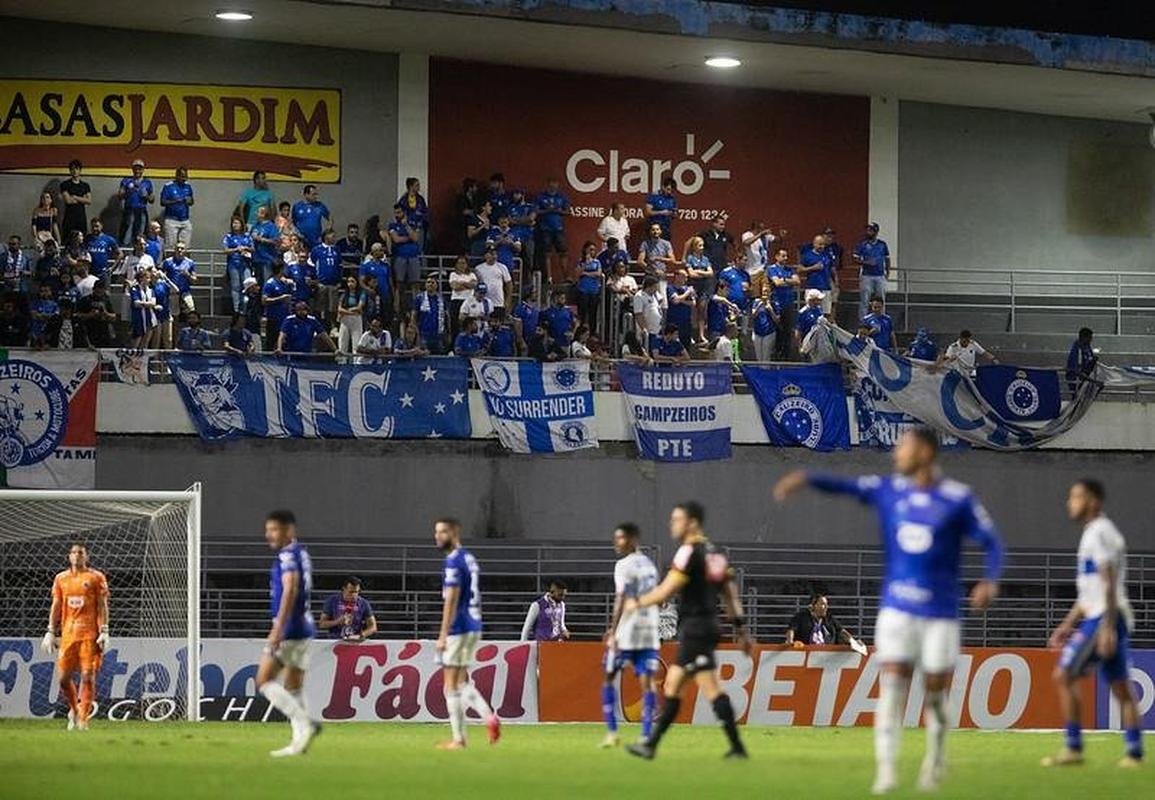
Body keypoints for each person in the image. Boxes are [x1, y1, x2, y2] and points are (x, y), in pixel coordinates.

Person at [773, 427, 1004, 793]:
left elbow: (992, 543)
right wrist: (806, 477)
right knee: (893, 686)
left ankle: (936, 757)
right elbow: (846, 487)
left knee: (935, 694)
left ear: (925, 452)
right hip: (896, 609)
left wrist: (990, 580)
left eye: (904, 447)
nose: (897, 453)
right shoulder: (889, 490)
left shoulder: (957, 499)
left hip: (940, 613)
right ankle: (887, 772)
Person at [625, 502, 751, 761]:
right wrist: (741, 629)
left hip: (695, 629)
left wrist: (635, 604)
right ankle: (651, 746)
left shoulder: (687, 552)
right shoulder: (716, 554)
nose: (672, 524)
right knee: (673, 684)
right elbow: (730, 596)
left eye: (677, 519)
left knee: (710, 688)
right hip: (707, 627)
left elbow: (665, 591)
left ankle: (737, 747)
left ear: (692, 522)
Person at [1043, 479, 1143, 769]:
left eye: (1076, 497)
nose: (1070, 502)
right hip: (1105, 614)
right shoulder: (1099, 532)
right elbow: (1091, 591)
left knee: (1064, 675)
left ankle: (1073, 748)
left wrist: (1108, 626)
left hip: (1104, 618)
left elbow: (1108, 580)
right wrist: (1066, 625)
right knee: (1121, 687)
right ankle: (1134, 753)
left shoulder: (1098, 532)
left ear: (1093, 501)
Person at [255, 510, 320, 757]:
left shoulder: (287, 556)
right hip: (305, 627)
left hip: (290, 629)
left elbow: (291, 587)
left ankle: (305, 723)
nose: (268, 534)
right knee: (294, 687)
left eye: (274, 529)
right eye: (268, 529)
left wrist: (278, 628)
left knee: (263, 681)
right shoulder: (301, 553)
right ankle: (299, 744)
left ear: (289, 530)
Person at [433, 517, 501, 749]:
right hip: (474, 624)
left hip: (458, 626)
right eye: (436, 532)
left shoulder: (453, 562)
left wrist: (443, 634)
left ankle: (459, 739)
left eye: (442, 532)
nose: (438, 537)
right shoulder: (469, 558)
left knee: (450, 685)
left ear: (454, 533)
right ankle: (489, 717)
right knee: (461, 681)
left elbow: (451, 599)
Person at [600, 522, 660, 749]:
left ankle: (613, 732)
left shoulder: (623, 565)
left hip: (627, 632)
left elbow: (621, 597)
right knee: (648, 682)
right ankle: (646, 735)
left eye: (621, 538)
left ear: (634, 539)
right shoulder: (650, 565)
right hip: (649, 631)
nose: (617, 543)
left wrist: (612, 630)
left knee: (608, 675)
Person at [41, 542, 109, 731]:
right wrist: (50, 631)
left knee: (88, 676)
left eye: (81, 552)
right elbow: (56, 605)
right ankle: (74, 710)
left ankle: (83, 719)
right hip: (68, 636)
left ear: (86, 556)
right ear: (69, 556)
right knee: (63, 679)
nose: (77, 555)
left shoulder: (96, 577)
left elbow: (102, 605)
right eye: (73, 552)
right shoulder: (61, 579)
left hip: (89, 634)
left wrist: (104, 630)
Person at [319, 576, 378, 641]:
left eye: (356, 592)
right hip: (335, 642)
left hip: (355, 642)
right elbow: (322, 624)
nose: (354, 595)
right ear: (344, 589)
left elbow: (373, 627)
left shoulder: (363, 603)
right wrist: (337, 621)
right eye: (351, 592)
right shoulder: (332, 601)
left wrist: (360, 635)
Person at [768, 247, 801, 361]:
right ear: (776, 257)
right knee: (778, 331)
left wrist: (785, 280)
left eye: (786, 256)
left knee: (788, 331)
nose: (786, 258)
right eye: (783, 256)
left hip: (788, 303)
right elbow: (776, 282)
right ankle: (776, 355)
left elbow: (797, 281)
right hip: (777, 303)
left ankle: (786, 357)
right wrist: (788, 281)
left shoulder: (789, 269)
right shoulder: (771, 269)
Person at [785, 593, 855, 647]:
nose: (826, 607)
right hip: (807, 653)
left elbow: (842, 631)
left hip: (825, 655)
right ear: (813, 605)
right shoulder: (801, 617)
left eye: (826, 604)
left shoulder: (829, 618)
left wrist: (854, 642)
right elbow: (791, 630)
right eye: (823, 604)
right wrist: (790, 641)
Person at [854, 222, 891, 320]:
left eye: (870, 230)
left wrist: (888, 272)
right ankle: (863, 322)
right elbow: (855, 259)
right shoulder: (862, 244)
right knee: (865, 300)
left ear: (876, 232)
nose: (868, 232)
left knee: (881, 299)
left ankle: (881, 320)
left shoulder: (882, 245)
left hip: (880, 275)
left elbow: (887, 258)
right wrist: (866, 262)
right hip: (866, 276)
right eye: (867, 230)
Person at [535, 178, 570, 278]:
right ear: (548, 184)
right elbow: (536, 211)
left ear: (558, 185)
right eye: (551, 183)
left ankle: (566, 276)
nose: (553, 185)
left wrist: (558, 211)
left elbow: (567, 211)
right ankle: (549, 278)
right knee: (546, 254)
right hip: (545, 229)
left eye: (555, 183)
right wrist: (547, 210)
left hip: (558, 229)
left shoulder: (562, 196)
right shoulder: (541, 196)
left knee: (563, 252)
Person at [117, 158, 154, 245]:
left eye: (139, 169)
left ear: (143, 170)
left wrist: (146, 196)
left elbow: (152, 199)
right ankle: (125, 252)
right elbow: (119, 196)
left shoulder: (147, 182)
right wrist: (127, 192)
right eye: (135, 168)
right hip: (129, 210)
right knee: (126, 233)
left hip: (141, 211)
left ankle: (139, 253)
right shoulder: (126, 180)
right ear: (132, 169)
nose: (137, 171)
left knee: (141, 234)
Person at [798, 234, 837, 315]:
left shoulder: (827, 255)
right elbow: (799, 269)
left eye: (823, 244)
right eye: (819, 244)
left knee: (826, 312)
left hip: (826, 287)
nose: (822, 246)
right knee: (810, 311)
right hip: (812, 287)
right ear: (814, 243)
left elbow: (832, 269)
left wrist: (836, 282)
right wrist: (813, 268)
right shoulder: (807, 255)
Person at [222, 216, 255, 313]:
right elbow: (225, 250)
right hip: (233, 264)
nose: (235, 225)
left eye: (237, 223)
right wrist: (236, 249)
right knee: (236, 287)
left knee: (248, 286)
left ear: (242, 224)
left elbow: (253, 248)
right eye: (233, 223)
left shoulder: (247, 236)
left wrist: (245, 248)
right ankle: (237, 309)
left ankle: (247, 308)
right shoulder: (229, 237)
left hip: (245, 264)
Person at [358, 243, 395, 330]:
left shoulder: (386, 266)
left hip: (385, 296)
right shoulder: (366, 266)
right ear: (374, 252)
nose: (383, 252)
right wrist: (368, 290)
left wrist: (393, 295)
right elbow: (361, 281)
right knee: (371, 318)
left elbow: (390, 282)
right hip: (372, 297)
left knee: (386, 318)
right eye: (380, 250)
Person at [388, 203, 423, 292]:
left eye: (399, 212)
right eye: (395, 213)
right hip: (399, 256)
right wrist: (409, 238)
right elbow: (396, 239)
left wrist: (406, 226)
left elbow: (415, 238)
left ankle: (416, 305)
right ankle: (398, 305)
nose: (397, 215)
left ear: (404, 212)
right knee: (399, 284)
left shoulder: (413, 222)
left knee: (415, 284)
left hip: (413, 256)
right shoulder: (392, 225)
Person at [262, 262, 295, 352]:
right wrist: (280, 298)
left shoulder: (284, 283)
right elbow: (264, 301)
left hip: (284, 317)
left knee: (283, 342)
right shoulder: (270, 283)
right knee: (271, 341)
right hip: (273, 317)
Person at [159, 166, 194, 248]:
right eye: (182, 176)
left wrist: (190, 201)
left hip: (185, 220)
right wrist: (175, 201)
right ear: (177, 176)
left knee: (185, 246)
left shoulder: (188, 187)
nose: (184, 178)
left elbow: (192, 201)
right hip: (172, 220)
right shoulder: (168, 186)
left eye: (185, 176)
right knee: (171, 246)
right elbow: (162, 202)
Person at [75, 280, 116, 348]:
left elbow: (114, 316)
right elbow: (77, 315)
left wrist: (105, 313)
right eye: (98, 289)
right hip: (89, 330)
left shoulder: (106, 300)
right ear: (94, 289)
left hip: (104, 331)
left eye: (102, 289)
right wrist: (89, 315)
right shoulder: (85, 300)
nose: (100, 291)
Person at [574, 241, 604, 334]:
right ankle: (581, 332)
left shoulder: (597, 262)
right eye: (590, 249)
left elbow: (598, 274)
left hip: (594, 290)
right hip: (583, 290)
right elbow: (577, 274)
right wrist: (585, 263)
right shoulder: (581, 261)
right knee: (582, 313)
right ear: (585, 249)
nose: (592, 252)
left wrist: (586, 273)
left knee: (593, 313)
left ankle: (592, 333)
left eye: (594, 250)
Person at [59, 159, 92, 244]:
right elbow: (68, 201)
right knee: (67, 239)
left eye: (76, 169)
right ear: (70, 171)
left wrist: (75, 197)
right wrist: (82, 199)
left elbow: (88, 201)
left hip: (81, 216)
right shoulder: (65, 184)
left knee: (81, 239)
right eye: (72, 169)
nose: (74, 171)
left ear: (80, 170)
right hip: (69, 216)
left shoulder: (85, 186)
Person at [412, 275, 447, 354]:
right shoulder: (419, 298)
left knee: (439, 357)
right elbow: (414, 315)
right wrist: (415, 332)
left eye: (432, 282)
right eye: (428, 282)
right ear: (425, 285)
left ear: (436, 285)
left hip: (438, 335)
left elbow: (446, 316)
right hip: (424, 334)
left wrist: (447, 332)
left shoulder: (441, 299)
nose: (430, 284)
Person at [162, 242, 198, 315]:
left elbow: (195, 280)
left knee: (191, 309)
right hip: (172, 292)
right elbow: (163, 278)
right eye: (177, 248)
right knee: (174, 314)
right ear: (174, 250)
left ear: (185, 250)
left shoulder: (190, 262)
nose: (179, 250)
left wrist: (188, 275)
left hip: (185, 291)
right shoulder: (168, 262)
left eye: (182, 248)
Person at [474, 245, 512, 312]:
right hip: (483, 302)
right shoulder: (478, 268)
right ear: (486, 255)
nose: (494, 256)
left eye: (495, 254)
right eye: (491, 254)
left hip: (498, 302)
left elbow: (509, 284)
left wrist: (508, 300)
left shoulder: (502, 267)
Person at [448, 255, 477, 341]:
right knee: (455, 325)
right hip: (456, 301)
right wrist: (467, 284)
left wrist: (460, 283)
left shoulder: (472, 274)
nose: (461, 265)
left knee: (469, 325)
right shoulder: (453, 274)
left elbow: (474, 285)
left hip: (468, 301)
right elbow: (454, 287)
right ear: (456, 265)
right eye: (459, 263)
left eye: (463, 263)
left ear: (467, 264)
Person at [291, 185, 330, 249]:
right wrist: (297, 234)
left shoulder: (319, 206)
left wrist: (325, 234)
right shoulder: (297, 206)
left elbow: (330, 218)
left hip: (316, 240)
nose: (316, 197)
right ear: (306, 194)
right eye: (313, 194)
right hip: (301, 241)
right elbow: (293, 222)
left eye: (316, 194)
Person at [250, 205, 281, 286]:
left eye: (258, 212)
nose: (256, 214)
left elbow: (276, 241)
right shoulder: (255, 226)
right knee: (257, 284)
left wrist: (261, 239)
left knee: (266, 283)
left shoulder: (271, 226)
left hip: (267, 259)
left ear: (263, 214)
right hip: (256, 259)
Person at [632, 276, 663, 354]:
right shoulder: (639, 296)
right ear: (649, 286)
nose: (656, 289)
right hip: (647, 331)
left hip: (656, 330)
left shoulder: (654, 296)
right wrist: (644, 328)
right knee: (647, 351)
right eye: (655, 287)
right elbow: (638, 314)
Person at [665, 269, 696, 350]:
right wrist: (687, 293)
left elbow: (693, 303)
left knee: (686, 345)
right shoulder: (670, 287)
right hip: (674, 321)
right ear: (677, 277)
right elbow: (675, 301)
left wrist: (680, 300)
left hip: (686, 322)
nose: (686, 279)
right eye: (683, 277)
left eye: (686, 277)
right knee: (673, 344)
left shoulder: (686, 288)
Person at [336, 275, 366, 355]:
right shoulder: (344, 294)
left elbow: (359, 308)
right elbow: (339, 309)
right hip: (345, 320)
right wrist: (351, 312)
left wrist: (347, 311)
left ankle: (357, 365)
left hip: (356, 320)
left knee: (356, 343)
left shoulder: (361, 293)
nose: (350, 284)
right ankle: (341, 363)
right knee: (342, 343)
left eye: (352, 281)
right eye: (348, 282)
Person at [396, 177, 429, 245]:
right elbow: (398, 213)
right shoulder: (403, 200)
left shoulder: (421, 199)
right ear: (411, 187)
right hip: (407, 227)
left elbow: (425, 213)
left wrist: (421, 223)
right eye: (417, 185)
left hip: (419, 228)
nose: (419, 187)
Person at [1066, 327, 1097, 392]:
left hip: (1086, 378)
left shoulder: (1087, 347)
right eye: (1089, 338)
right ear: (1083, 337)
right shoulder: (1077, 351)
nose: (1091, 340)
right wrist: (1093, 381)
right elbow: (1076, 371)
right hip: (1077, 380)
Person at [750, 294, 777, 362]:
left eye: (767, 292)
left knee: (766, 357)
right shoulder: (756, 302)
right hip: (757, 332)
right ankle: (760, 372)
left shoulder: (774, 303)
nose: (765, 295)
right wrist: (759, 306)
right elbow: (753, 316)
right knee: (759, 357)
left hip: (769, 332)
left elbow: (777, 320)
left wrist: (770, 309)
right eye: (764, 293)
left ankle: (765, 371)